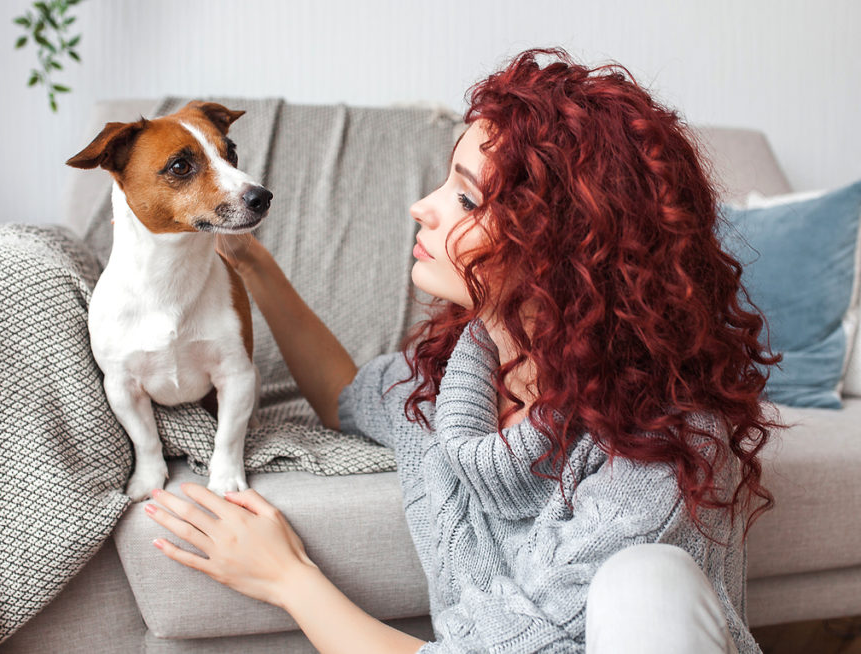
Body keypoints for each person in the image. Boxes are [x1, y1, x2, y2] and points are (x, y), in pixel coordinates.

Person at [142, 47, 780, 653]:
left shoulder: (661, 453)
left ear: (565, 252)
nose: (424, 207)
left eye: (467, 198)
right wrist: (250, 260)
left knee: (646, 581)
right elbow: (346, 395)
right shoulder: (454, 383)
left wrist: (286, 577)